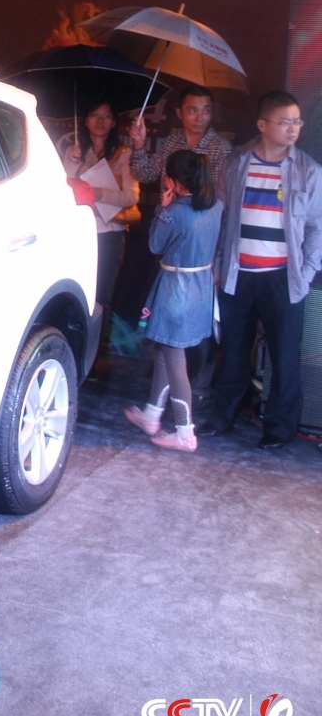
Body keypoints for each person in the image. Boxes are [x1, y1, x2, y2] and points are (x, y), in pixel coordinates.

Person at [199, 91, 322, 449]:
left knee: (285, 356)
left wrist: (307, 272)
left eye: (297, 122)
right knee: (233, 351)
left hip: (283, 277)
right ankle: (223, 417)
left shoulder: (308, 170)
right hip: (238, 273)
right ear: (263, 125)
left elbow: (318, 226)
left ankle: (279, 429)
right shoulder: (237, 163)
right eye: (285, 122)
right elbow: (222, 217)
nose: (293, 128)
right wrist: (218, 263)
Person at [129, 85, 232, 406]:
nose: (199, 117)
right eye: (192, 110)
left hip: (199, 251)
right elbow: (145, 172)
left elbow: (222, 208)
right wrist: (139, 145)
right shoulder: (172, 142)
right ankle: (159, 396)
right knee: (169, 323)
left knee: (194, 325)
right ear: (179, 112)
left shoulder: (220, 148)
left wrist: (216, 259)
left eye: (206, 110)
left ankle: (195, 386)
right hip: (171, 240)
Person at [124, 150, 222, 452]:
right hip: (201, 286)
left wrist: (161, 209)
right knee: (167, 351)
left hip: (175, 288)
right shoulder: (216, 206)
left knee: (175, 358)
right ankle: (152, 415)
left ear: (173, 180)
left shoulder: (174, 211)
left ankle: (184, 432)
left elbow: (155, 244)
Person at [63, 101, 139, 340]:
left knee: (101, 296)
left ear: (114, 122)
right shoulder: (74, 151)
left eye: (106, 116)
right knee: (76, 292)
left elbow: (131, 197)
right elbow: (63, 190)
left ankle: (96, 351)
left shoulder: (123, 153)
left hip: (110, 236)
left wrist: (97, 194)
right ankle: (75, 343)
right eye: (94, 115)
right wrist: (71, 163)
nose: (100, 121)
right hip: (79, 233)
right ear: (85, 120)